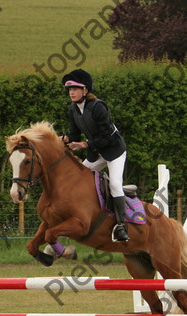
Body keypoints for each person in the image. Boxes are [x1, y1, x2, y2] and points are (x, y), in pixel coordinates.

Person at [61, 69, 130, 242]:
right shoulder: (73, 110)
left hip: (114, 151)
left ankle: (122, 226)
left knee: (115, 183)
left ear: (85, 90)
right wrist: (60, 139)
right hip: (96, 153)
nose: (71, 92)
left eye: (75, 89)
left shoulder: (99, 106)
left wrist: (84, 144)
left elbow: (106, 137)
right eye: (69, 90)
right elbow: (74, 136)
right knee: (76, 179)